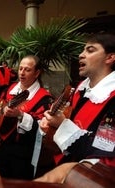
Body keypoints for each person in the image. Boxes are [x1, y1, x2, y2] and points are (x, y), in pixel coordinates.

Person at [34, 32, 115, 183]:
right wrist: (50, 124)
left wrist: (61, 125)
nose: (81, 55)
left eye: (90, 50)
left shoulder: (112, 96)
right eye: (83, 50)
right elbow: (68, 118)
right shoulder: (80, 89)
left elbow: (105, 152)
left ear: (110, 58)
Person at [0, 55, 54, 180]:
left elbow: (42, 128)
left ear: (37, 73)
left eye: (27, 70)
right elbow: (0, 103)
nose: (22, 73)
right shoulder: (11, 89)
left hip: (23, 155)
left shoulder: (45, 98)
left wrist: (21, 115)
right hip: (1, 149)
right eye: (20, 69)